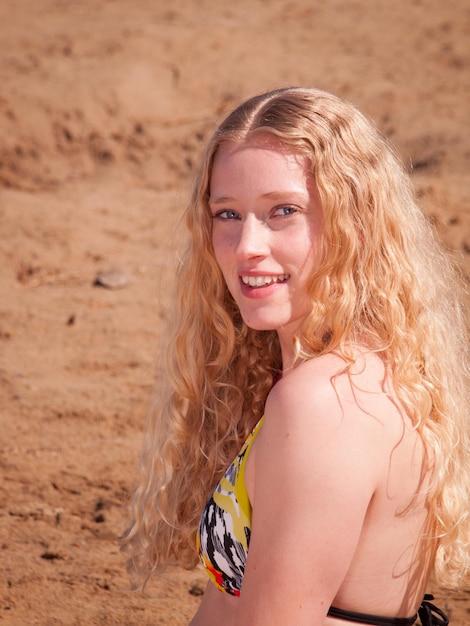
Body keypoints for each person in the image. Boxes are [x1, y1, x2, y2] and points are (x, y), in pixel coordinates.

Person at [119, 87, 470, 625]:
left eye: (283, 211)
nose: (246, 245)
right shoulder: (352, 371)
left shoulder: (324, 405)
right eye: (227, 214)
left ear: (354, 220)